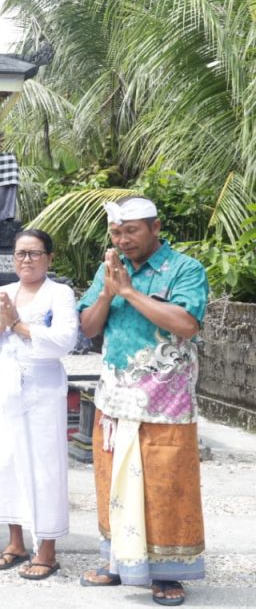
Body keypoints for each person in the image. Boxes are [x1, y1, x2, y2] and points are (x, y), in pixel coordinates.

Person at [77, 197, 208, 606]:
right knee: (115, 483)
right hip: (115, 400)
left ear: (155, 227)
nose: (123, 239)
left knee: (165, 488)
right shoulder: (109, 269)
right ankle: (119, 561)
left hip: (166, 403)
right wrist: (107, 293)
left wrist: (130, 293)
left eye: (131, 230)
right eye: (117, 232)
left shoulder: (185, 269)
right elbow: (88, 327)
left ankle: (169, 573)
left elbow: (186, 324)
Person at [0, 229, 79, 580]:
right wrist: (2, 326)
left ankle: (47, 549)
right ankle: (15, 542)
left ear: (49, 257)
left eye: (33, 253)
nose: (26, 260)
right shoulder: (2, 293)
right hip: (6, 386)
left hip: (43, 390)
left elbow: (64, 339)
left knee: (44, 468)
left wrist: (18, 325)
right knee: (6, 462)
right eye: (20, 254)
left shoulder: (59, 293)